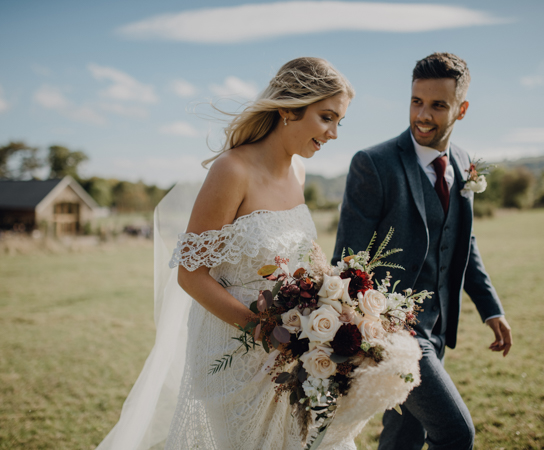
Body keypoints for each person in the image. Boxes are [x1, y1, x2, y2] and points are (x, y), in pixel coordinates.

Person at [96, 57, 356, 450]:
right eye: (326, 117)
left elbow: (303, 249)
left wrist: (336, 301)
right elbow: (191, 275)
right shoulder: (232, 170)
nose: (334, 133)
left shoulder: (298, 171)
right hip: (235, 352)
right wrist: (265, 331)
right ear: (288, 108)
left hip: (297, 348)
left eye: (339, 122)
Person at [332, 52, 513, 450]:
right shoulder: (373, 164)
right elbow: (347, 260)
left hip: (439, 326)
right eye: (416, 101)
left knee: (404, 435)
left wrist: (491, 308)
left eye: (437, 105)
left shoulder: (463, 163)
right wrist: (357, 336)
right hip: (395, 331)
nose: (423, 115)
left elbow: (461, 242)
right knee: (455, 432)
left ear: (461, 109)